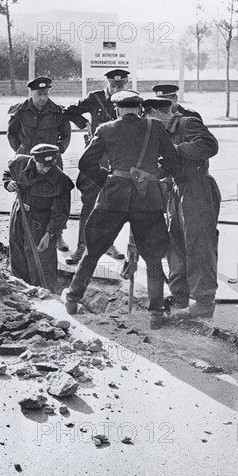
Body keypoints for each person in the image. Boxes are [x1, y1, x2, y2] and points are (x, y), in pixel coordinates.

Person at [62, 91, 181, 330]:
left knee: (93, 250)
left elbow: (86, 163)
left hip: (112, 197)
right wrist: (152, 175)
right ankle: (156, 314)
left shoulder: (106, 129)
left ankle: (73, 299)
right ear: (138, 109)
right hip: (147, 197)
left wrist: (107, 180)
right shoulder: (155, 127)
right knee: (153, 257)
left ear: (117, 109)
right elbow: (173, 162)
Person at [142, 97, 221, 319]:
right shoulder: (164, 132)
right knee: (175, 242)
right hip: (177, 190)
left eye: (148, 117)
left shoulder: (188, 123)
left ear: (155, 113)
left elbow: (209, 146)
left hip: (197, 188)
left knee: (198, 243)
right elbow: (167, 165)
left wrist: (175, 149)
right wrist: (149, 176)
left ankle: (204, 302)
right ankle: (180, 295)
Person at [62, 68, 130, 264]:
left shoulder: (130, 99)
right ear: (107, 83)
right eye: (114, 85)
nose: (117, 89)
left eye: (121, 85)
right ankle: (82, 247)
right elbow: (69, 111)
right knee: (90, 202)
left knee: (113, 203)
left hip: (119, 158)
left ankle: (108, 244)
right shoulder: (95, 98)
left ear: (126, 84)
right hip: (96, 157)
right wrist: (85, 124)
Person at [7, 76, 74, 252]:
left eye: (46, 94)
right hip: (28, 160)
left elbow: (66, 135)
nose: (43, 98)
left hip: (51, 163)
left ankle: (57, 235)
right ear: (31, 92)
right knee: (24, 196)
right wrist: (21, 152)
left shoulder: (58, 111)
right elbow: (11, 133)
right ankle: (22, 231)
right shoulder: (20, 110)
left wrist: (56, 152)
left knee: (57, 197)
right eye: (39, 94)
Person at [3, 144, 74, 293]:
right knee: (17, 251)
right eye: (42, 165)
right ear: (34, 159)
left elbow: (61, 213)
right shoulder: (20, 163)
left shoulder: (60, 180)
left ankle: (44, 292)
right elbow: (8, 173)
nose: (46, 169)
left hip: (40, 222)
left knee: (40, 260)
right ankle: (21, 288)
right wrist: (8, 183)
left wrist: (49, 234)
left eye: (50, 165)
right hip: (19, 213)